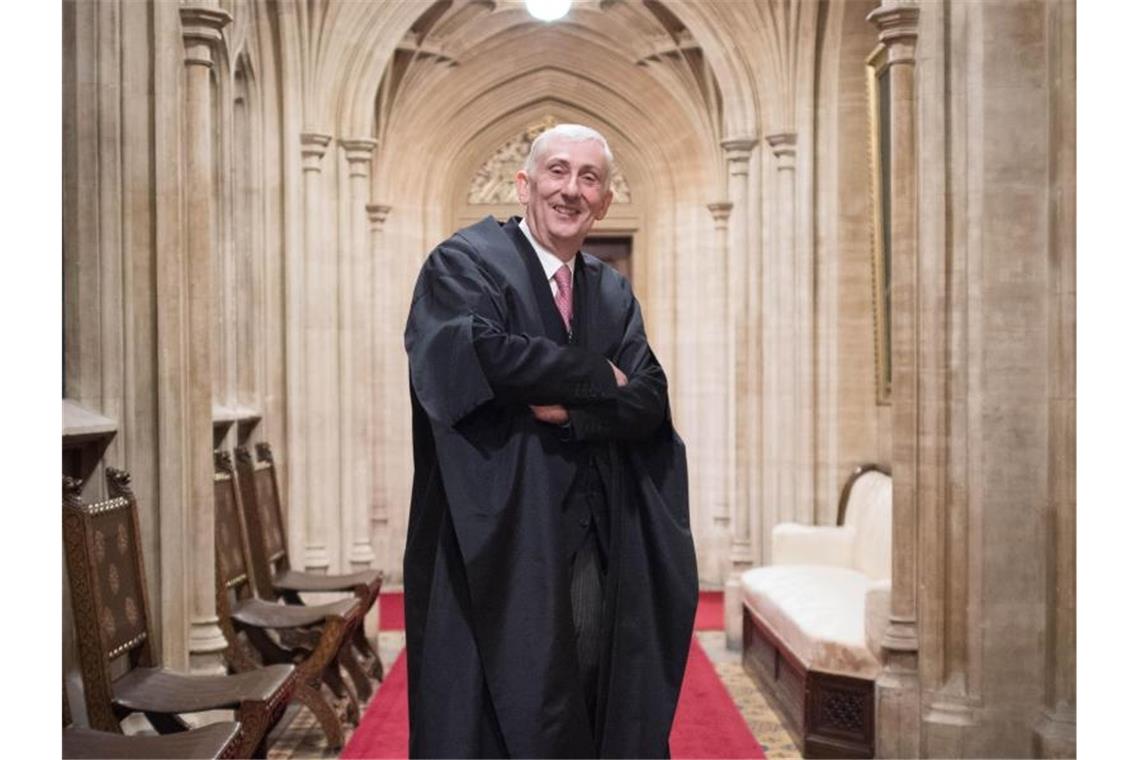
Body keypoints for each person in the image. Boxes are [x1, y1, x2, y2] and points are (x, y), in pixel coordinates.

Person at [403, 123, 698, 758]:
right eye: (557, 171)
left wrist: (574, 413)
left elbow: (650, 398)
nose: (571, 190)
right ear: (524, 183)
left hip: (593, 540)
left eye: (589, 178)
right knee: (490, 714)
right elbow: (484, 354)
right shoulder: (465, 263)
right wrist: (596, 375)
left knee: (589, 692)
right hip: (495, 538)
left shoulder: (610, 290)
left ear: (606, 199)